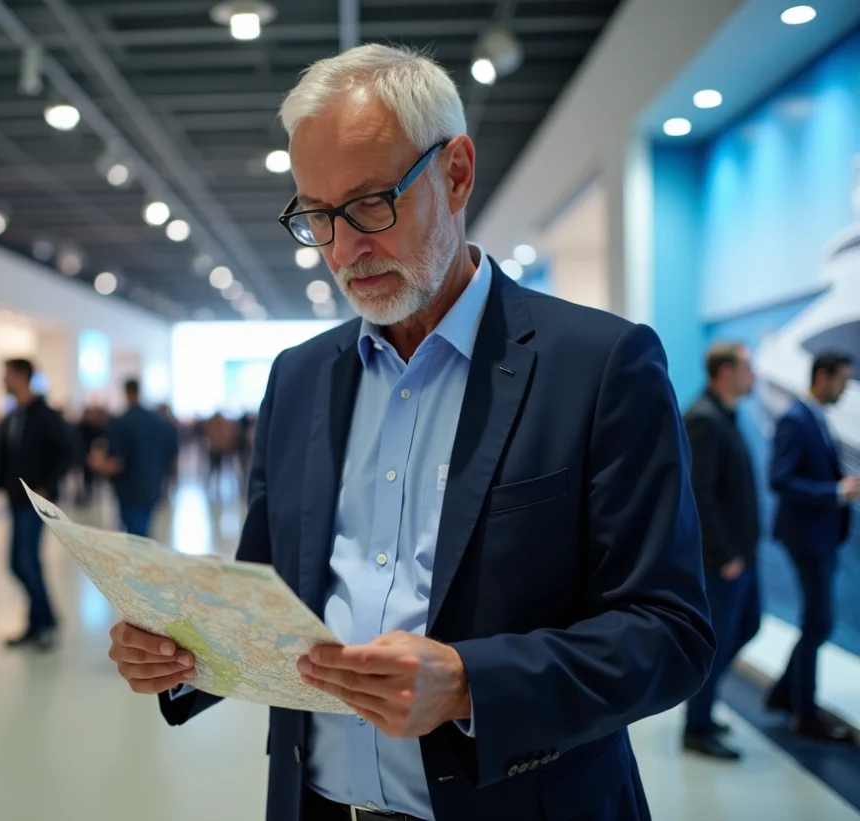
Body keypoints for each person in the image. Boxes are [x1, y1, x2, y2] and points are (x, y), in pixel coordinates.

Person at [107, 44, 713, 821]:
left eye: (368, 204)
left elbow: (671, 632)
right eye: (317, 216)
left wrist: (469, 682)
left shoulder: (597, 366)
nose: (344, 248)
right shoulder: (298, 378)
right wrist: (184, 654)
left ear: (457, 173)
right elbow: (268, 590)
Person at [766, 351, 859, 741]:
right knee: (818, 622)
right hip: (806, 539)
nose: (845, 388)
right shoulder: (795, 419)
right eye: (842, 380)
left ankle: (785, 695)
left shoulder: (816, 417)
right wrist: (836, 492)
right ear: (822, 377)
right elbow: (780, 480)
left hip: (820, 536)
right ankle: (804, 713)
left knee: (815, 621)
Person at [681, 343, 762, 760]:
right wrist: (724, 554)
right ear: (725, 371)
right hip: (722, 562)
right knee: (717, 640)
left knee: (747, 626)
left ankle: (704, 709)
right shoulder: (704, 420)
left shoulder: (724, 415)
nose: (755, 375)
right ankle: (697, 726)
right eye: (749, 366)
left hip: (739, 557)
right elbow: (697, 495)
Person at [0, 359, 76, 651]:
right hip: (16, 499)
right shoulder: (14, 415)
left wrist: (46, 483)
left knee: (23, 562)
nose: (2, 380)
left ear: (20, 377)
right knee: (24, 563)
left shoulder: (44, 415)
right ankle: (38, 622)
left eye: (6, 375)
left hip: (34, 501)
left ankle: (47, 621)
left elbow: (68, 452)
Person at [89, 378, 178, 538]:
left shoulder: (121, 423)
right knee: (143, 533)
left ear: (126, 392)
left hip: (130, 492)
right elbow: (172, 454)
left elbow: (116, 463)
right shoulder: (160, 422)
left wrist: (96, 464)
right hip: (153, 488)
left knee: (135, 539)